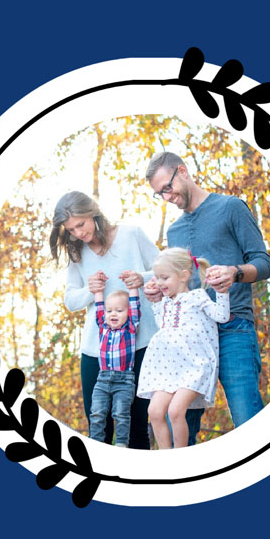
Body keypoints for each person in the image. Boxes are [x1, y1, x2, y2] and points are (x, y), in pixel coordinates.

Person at [145, 151, 270, 444]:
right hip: (187, 340)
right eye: (158, 194)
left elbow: (263, 264)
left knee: (247, 420)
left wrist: (235, 272)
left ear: (183, 171)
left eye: (167, 187)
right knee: (173, 422)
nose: (166, 197)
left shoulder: (231, 207)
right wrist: (159, 291)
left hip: (232, 330)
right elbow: (180, 286)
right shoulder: (174, 230)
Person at [50, 190, 159, 449]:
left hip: (139, 347)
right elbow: (71, 301)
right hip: (97, 352)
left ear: (93, 214)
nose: (77, 233)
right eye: (70, 229)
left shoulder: (131, 234)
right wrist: (91, 290)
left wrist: (143, 278)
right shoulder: (77, 253)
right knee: (98, 428)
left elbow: (168, 270)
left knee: (136, 429)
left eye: (80, 224)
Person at [136, 248, 231, 449]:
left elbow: (221, 316)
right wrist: (156, 303)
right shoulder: (166, 302)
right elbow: (163, 325)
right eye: (157, 278)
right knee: (154, 411)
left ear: (184, 276)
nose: (160, 283)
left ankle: (180, 455)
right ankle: (165, 456)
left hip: (194, 366)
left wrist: (222, 293)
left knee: (175, 411)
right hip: (167, 368)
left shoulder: (198, 296)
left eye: (164, 278)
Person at [89, 286, 141, 447]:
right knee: (97, 413)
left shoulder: (130, 328)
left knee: (120, 413)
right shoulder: (103, 327)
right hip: (102, 379)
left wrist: (133, 288)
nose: (113, 314)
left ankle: (121, 443)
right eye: (109, 311)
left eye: (119, 310)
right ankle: (95, 443)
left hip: (124, 381)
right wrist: (98, 290)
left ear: (127, 313)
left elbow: (134, 306)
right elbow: (99, 308)